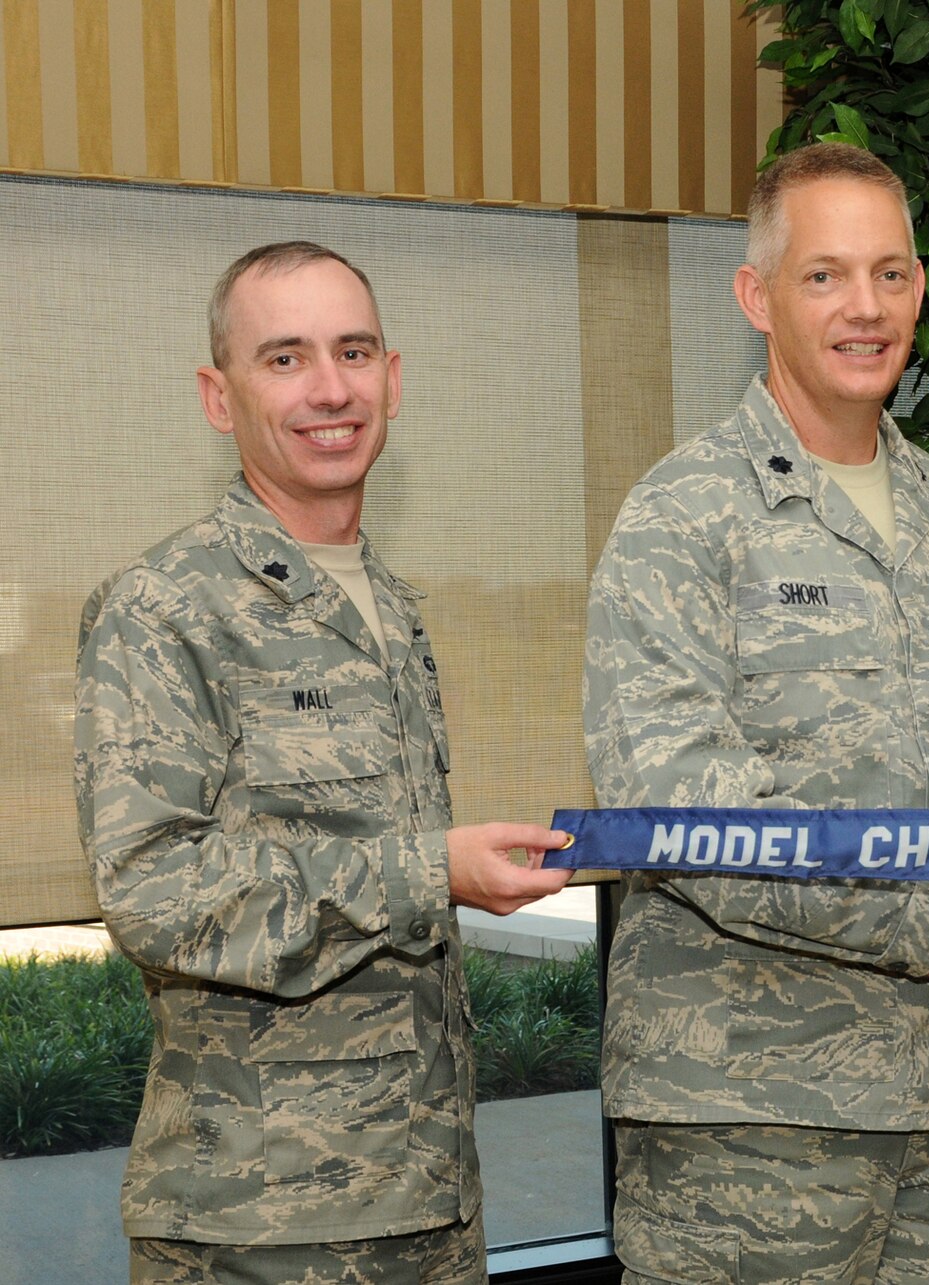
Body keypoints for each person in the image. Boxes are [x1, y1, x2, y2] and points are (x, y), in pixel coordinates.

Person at [583, 141, 929, 1285]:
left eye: (889, 273)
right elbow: (683, 811)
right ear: (756, 296)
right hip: (756, 1121)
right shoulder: (682, 517)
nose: (865, 307)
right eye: (823, 276)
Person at [74, 241, 573, 1284]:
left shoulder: (388, 605)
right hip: (258, 1227)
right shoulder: (165, 608)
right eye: (285, 358)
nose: (331, 388)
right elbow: (153, 892)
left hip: (430, 1202)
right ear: (220, 397)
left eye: (353, 351)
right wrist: (429, 868)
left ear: (393, 377)